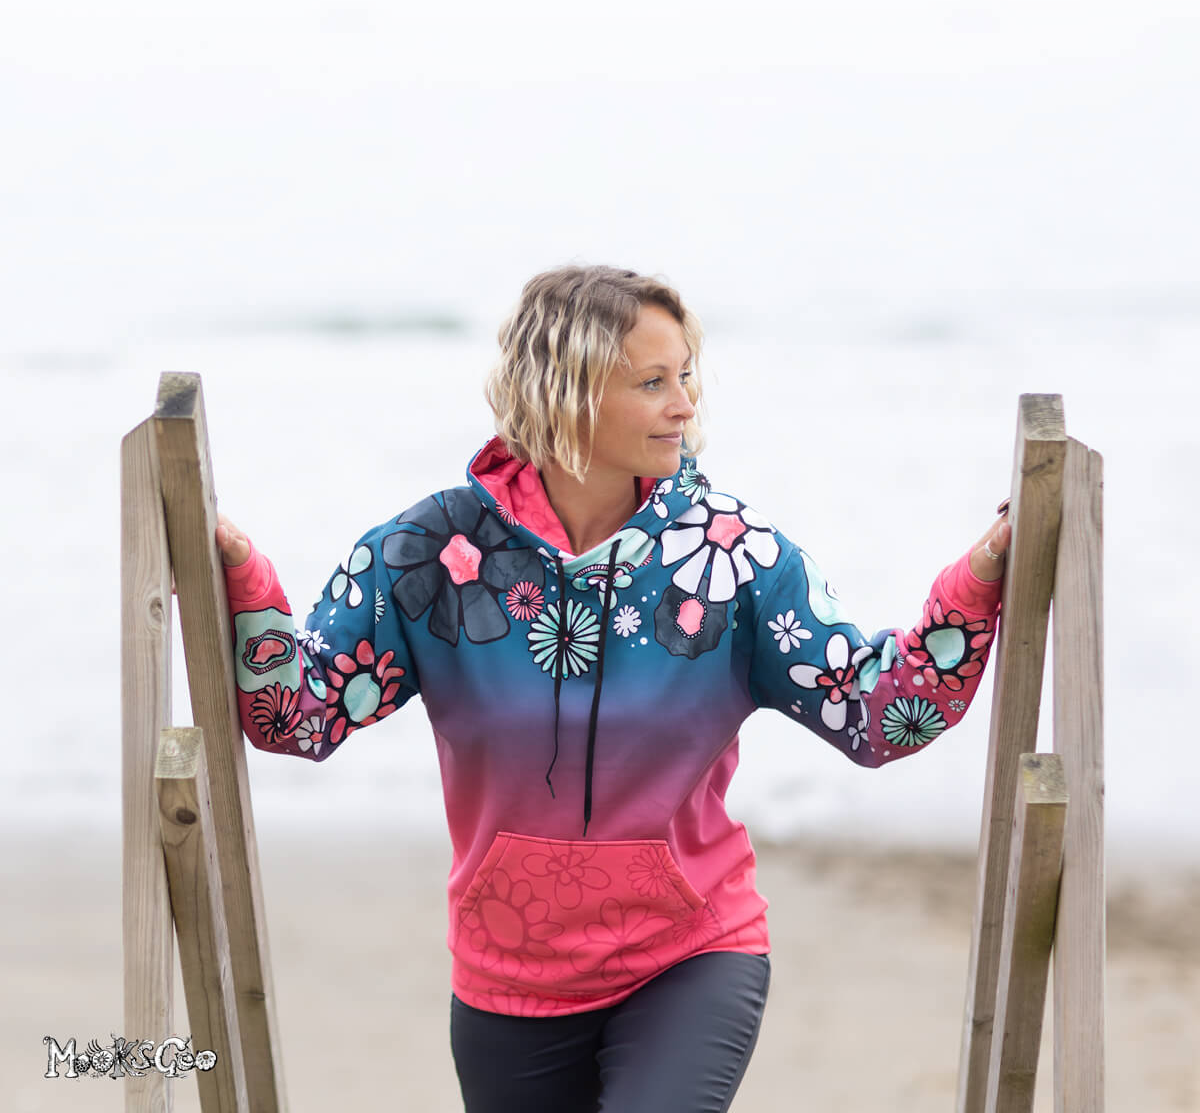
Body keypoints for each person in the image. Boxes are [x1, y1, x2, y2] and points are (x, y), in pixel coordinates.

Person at [217, 264, 1010, 1112]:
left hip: (690, 952)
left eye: (686, 377)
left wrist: (980, 578)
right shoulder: (428, 554)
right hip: (506, 974)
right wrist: (241, 572)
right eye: (653, 382)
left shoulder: (732, 559)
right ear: (567, 393)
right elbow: (298, 717)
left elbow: (878, 714)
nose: (685, 405)